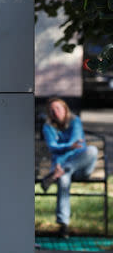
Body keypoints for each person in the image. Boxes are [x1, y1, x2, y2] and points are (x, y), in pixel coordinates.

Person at [41, 97, 98, 239]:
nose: (55, 112)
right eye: (51, 110)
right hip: (63, 169)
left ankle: (58, 172)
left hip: (81, 168)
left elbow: (76, 144)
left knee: (92, 150)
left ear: (65, 109)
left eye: (58, 108)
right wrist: (66, 150)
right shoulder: (48, 127)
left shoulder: (75, 121)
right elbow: (53, 148)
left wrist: (64, 152)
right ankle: (63, 225)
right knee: (63, 180)